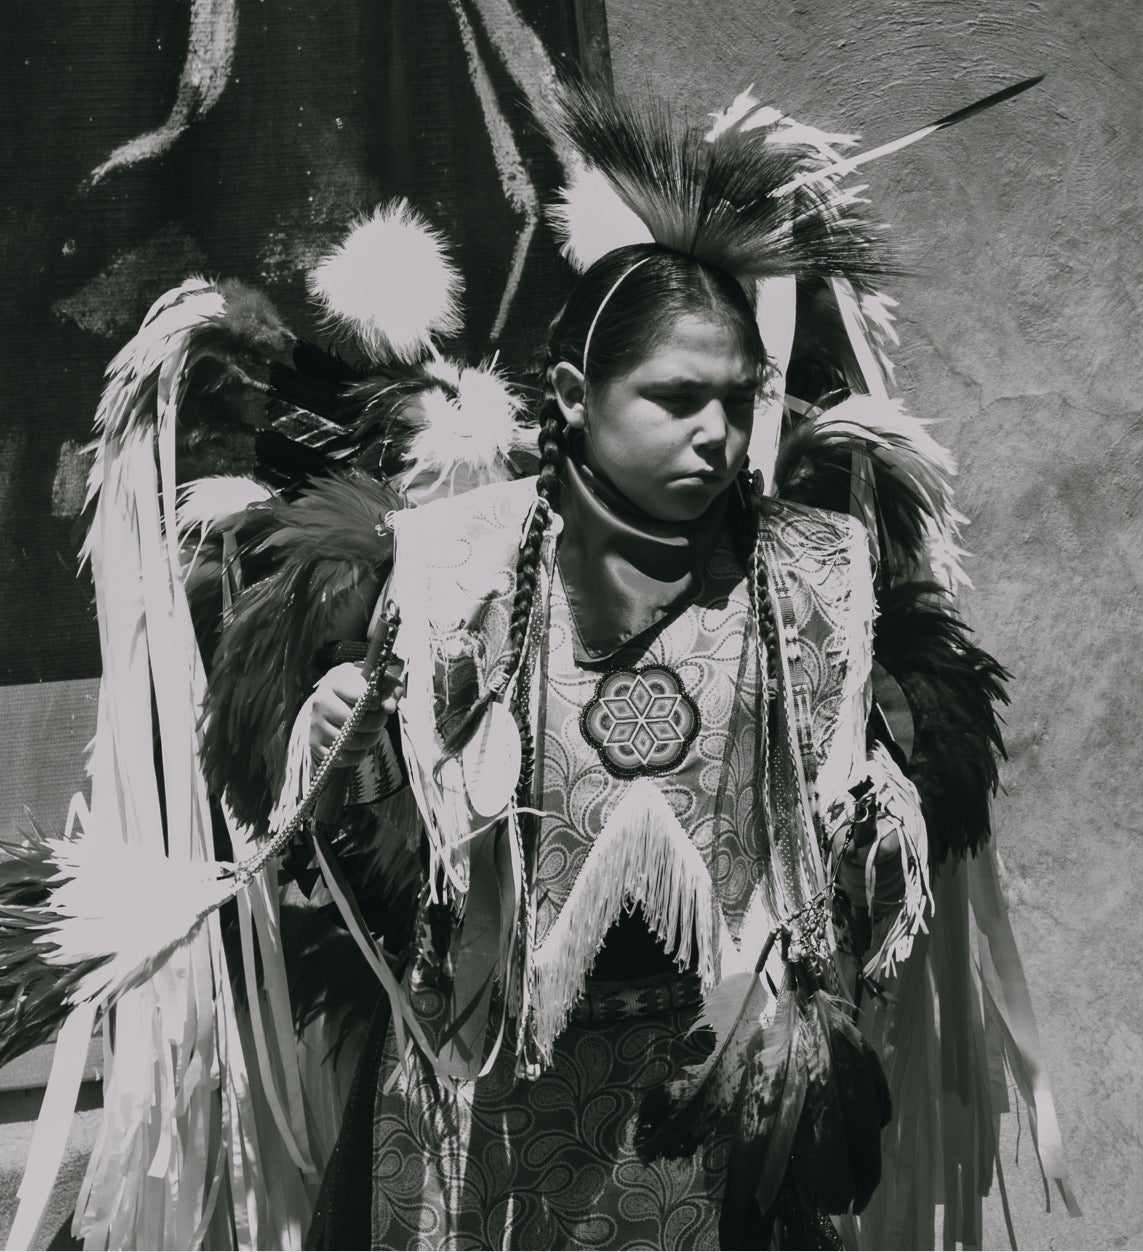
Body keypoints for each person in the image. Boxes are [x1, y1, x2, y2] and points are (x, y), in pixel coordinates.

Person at [0, 81, 1061, 1250]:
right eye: (674, 398)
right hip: (485, 1129)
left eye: (736, 397)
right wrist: (340, 747)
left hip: (723, 1116)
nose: (715, 430)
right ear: (572, 397)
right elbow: (356, 859)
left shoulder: (809, 576)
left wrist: (879, 795)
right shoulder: (453, 570)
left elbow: (853, 856)